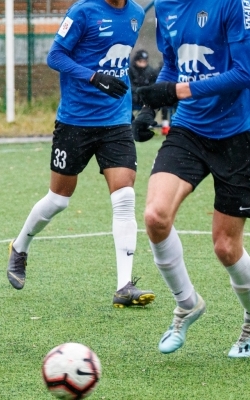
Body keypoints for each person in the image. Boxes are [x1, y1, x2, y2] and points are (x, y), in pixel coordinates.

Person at [6, 0, 155, 308]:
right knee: (59, 199)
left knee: (124, 195)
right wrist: (92, 76)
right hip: (75, 122)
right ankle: (20, 247)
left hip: (116, 121)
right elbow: (55, 56)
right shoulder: (82, 12)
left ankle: (124, 286)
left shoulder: (136, 14)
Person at [134, 0, 250, 357]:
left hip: (238, 134)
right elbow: (173, 63)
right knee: (155, 216)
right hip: (190, 129)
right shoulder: (165, 6)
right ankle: (187, 303)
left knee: (226, 247)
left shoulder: (233, 3)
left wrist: (178, 92)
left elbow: (244, 72)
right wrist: (150, 107)